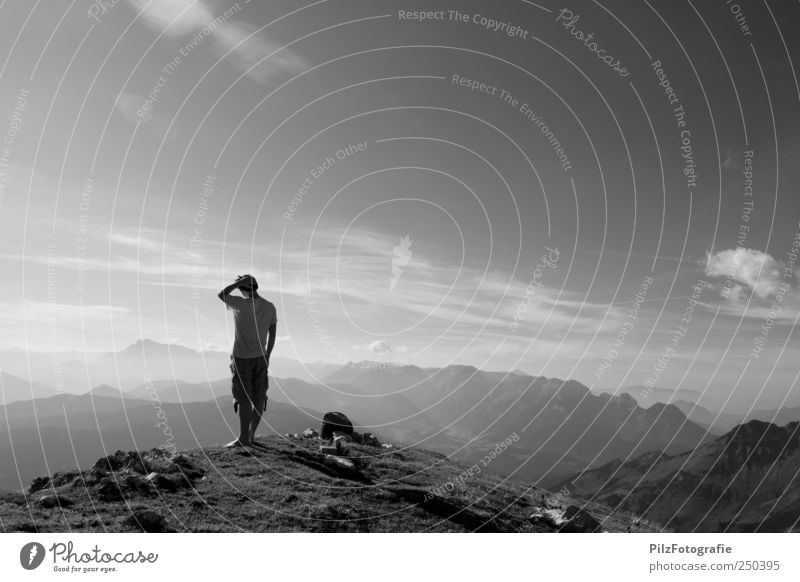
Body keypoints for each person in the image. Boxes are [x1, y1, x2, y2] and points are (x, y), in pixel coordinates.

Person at [217, 274, 277, 447]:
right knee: (259, 397)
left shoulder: (240, 304)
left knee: (244, 398)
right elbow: (273, 333)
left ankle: (243, 438)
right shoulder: (270, 307)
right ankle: (251, 435)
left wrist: (237, 283)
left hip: (242, 357)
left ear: (244, 288)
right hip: (261, 357)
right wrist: (268, 354)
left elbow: (221, 294)